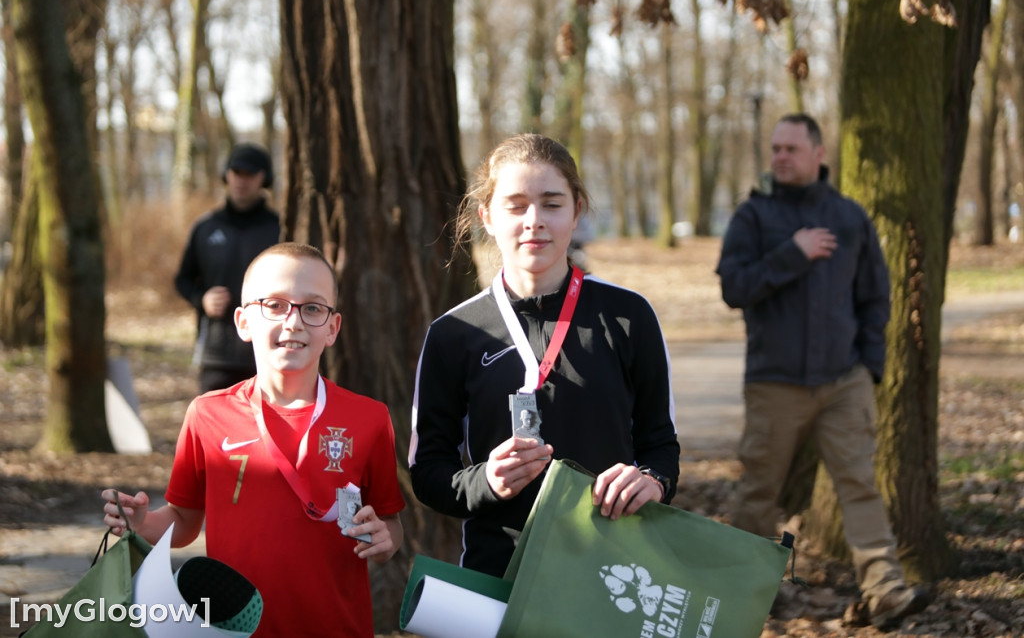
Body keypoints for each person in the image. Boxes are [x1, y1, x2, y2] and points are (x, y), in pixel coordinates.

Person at [409, 133, 680, 578]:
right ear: (487, 217)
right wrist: (486, 483)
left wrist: (652, 481)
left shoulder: (629, 315)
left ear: (576, 212)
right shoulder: (454, 334)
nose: (534, 220)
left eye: (552, 204)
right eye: (515, 205)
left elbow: (660, 444)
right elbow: (428, 472)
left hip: (613, 571)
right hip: (500, 573)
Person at [103, 242, 405, 637]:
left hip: (338, 627)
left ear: (332, 328)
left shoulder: (369, 418)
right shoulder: (207, 414)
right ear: (243, 322)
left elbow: (390, 522)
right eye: (276, 305)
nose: (294, 322)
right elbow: (184, 520)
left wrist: (385, 540)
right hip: (235, 629)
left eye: (312, 308)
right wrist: (143, 523)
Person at [715, 113, 928, 629]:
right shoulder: (754, 217)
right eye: (775, 148)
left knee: (859, 485)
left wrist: (869, 368)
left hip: (843, 383)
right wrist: (793, 253)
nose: (781, 156)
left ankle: (885, 592)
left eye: (792, 148)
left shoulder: (850, 217)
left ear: (819, 154)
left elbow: (876, 297)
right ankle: (741, 592)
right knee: (757, 490)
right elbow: (733, 288)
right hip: (774, 384)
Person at [175, 142, 281, 393]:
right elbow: (182, 279)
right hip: (216, 354)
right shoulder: (205, 227)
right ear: (226, 175)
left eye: (250, 174)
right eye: (236, 172)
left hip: (267, 352)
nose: (241, 181)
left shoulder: (280, 229)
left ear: (263, 179)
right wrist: (202, 299)